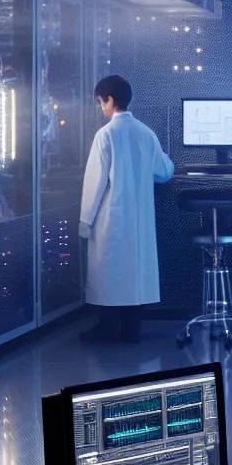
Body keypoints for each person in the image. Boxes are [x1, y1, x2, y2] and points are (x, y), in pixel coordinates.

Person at [79, 75, 175, 342]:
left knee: (108, 272)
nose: (101, 107)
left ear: (110, 100)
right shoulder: (146, 132)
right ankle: (132, 327)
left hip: (110, 216)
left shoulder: (106, 134)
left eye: (101, 102)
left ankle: (106, 326)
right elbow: (164, 171)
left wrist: (85, 220)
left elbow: (95, 181)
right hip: (140, 217)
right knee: (133, 272)